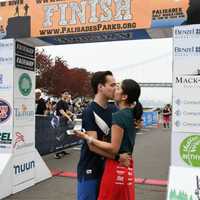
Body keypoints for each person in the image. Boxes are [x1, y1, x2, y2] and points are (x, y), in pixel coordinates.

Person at [75, 79, 141, 200]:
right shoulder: (130, 114)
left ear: (124, 96)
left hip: (115, 167)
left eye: (119, 88)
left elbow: (113, 148)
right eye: (113, 85)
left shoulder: (119, 116)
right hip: (127, 168)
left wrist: (87, 138)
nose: (115, 89)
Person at [54, 91, 74, 159]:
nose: (66, 95)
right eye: (65, 94)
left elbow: (67, 111)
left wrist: (72, 114)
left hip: (65, 121)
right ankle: (56, 153)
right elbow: (61, 111)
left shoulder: (65, 102)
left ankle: (61, 150)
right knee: (60, 136)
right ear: (62, 94)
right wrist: (68, 117)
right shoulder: (60, 102)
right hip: (61, 120)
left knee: (65, 136)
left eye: (67, 94)